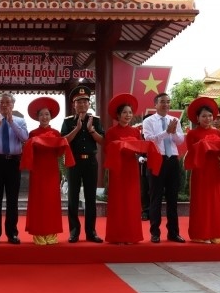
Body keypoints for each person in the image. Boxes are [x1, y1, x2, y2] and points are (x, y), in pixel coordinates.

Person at [183, 97, 220, 243]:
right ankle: (200, 234)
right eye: (204, 116)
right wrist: (204, 145)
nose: (208, 118)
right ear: (197, 118)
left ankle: (214, 233)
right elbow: (192, 152)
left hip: (214, 170)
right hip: (201, 170)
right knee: (202, 202)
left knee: (215, 201)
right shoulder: (192, 134)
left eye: (210, 116)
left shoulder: (217, 133)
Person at [104, 94, 161, 244]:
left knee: (131, 202)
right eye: (124, 112)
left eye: (130, 112)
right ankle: (117, 236)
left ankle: (130, 235)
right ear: (118, 115)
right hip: (117, 170)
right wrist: (119, 146)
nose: (128, 115)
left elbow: (141, 147)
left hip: (131, 168)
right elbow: (107, 151)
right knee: (118, 202)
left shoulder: (135, 132)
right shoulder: (111, 132)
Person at [21, 97, 74, 245]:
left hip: (51, 170)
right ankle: (38, 232)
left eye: (47, 114)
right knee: (39, 201)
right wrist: (33, 142)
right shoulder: (32, 133)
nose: (44, 117)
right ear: (37, 117)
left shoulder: (56, 133)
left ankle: (51, 232)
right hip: (38, 171)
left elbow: (58, 153)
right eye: (41, 115)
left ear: (51, 117)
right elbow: (28, 152)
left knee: (51, 201)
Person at [60, 85, 105, 243]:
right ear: (74, 104)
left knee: (91, 197)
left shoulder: (96, 120)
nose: (82, 104)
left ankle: (91, 232)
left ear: (89, 103)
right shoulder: (68, 122)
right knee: (72, 197)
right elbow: (63, 141)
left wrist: (91, 130)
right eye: (79, 102)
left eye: (85, 101)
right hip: (74, 161)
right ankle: (74, 231)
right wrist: (77, 129)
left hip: (91, 162)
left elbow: (104, 141)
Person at [0, 92, 28, 244]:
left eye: (8, 103)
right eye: (2, 102)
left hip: (13, 162)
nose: (5, 105)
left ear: (13, 105)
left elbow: (25, 138)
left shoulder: (20, 121)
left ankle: (12, 233)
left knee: (12, 199)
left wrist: (11, 123)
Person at [143, 92, 186, 243]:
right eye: (162, 102)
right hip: (157, 159)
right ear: (155, 104)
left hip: (172, 160)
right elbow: (149, 140)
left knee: (172, 198)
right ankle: (155, 232)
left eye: (168, 102)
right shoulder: (149, 121)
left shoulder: (174, 120)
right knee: (155, 198)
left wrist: (173, 133)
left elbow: (180, 141)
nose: (166, 105)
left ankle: (173, 233)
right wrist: (166, 132)